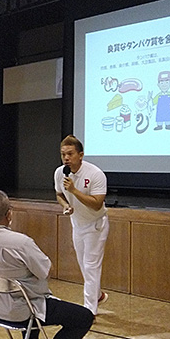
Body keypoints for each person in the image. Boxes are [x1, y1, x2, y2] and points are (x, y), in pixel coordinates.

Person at [0, 190, 93, 339]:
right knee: (83, 316)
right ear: (9, 214)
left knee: (26, 290)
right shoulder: (20, 242)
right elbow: (45, 270)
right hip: (25, 310)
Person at [54, 134, 110, 315]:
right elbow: (59, 194)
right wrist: (66, 206)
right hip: (77, 223)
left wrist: (74, 191)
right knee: (83, 265)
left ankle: (89, 311)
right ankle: (98, 295)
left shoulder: (95, 174)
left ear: (81, 155)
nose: (66, 158)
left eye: (70, 154)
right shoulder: (59, 173)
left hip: (96, 225)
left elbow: (97, 203)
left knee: (91, 265)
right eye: (63, 155)